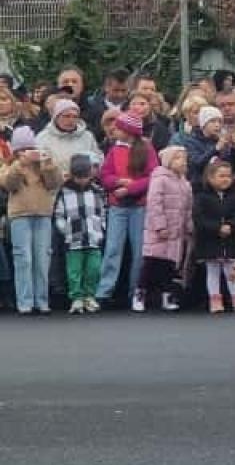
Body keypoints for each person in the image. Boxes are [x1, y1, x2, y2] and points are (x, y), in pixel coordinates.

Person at [95, 111, 153, 308]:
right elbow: (105, 175)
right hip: (118, 206)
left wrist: (130, 188)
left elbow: (152, 176)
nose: (114, 130)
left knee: (139, 250)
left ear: (128, 131)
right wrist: (118, 182)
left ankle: (136, 291)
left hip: (139, 206)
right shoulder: (114, 150)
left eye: (118, 127)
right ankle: (104, 291)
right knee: (113, 248)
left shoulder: (146, 149)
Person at [2, 128, 61, 316]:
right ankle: (25, 302)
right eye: (23, 149)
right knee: (23, 258)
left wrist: (48, 164)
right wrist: (20, 164)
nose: (28, 152)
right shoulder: (9, 165)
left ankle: (42, 301)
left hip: (43, 214)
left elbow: (54, 183)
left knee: (42, 258)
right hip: (20, 215)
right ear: (16, 150)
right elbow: (8, 184)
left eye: (30, 148)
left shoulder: (42, 164)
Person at [139, 146, 193, 313]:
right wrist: (160, 226)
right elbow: (154, 204)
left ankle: (166, 297)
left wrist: (188, 226)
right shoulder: (159, 179)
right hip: (159, 232)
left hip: (176, 234)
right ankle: (140, 295)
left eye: (184, 158)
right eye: (178, 158)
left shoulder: (185, 183)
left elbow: (188, 208)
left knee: (169, 267)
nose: (183, 162)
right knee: (151, 265)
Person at [193, 158, 235, 313]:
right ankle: (215, 299)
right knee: (213, 271)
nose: (226, 179)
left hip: (231, 240)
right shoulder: (202, 197)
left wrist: (231, 226)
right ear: (210, 178)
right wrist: (217, 228)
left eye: (228, 176)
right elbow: (199, 218)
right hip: (210, 241)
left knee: (232, 270)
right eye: (221, 176)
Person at [55, 154, 107, 315]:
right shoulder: (64, 192)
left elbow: (102, 212)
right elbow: (59, 215)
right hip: (73, 238)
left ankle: (89, 296)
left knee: (94, 269)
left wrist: (101, 229)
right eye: (79, 177)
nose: (82, 180)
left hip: (93, 237)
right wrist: (66, 230)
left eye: (85, 177)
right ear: (72, 175)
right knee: (74, 271)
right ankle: (76, 297)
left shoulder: (97, 191)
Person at [37, 99, 101, 175]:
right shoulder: (43, 137)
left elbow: (98, 157)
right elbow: (41, 163)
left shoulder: (87, 136)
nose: (71, 120)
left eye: (75, 117)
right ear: (56, 117)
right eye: (66, 116)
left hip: (85, 179)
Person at [83, 68, 129, 142]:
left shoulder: (132, 108)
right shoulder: (92, 107)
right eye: (116, 90)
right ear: (106, 87)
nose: (120, 95)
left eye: (124, 90)